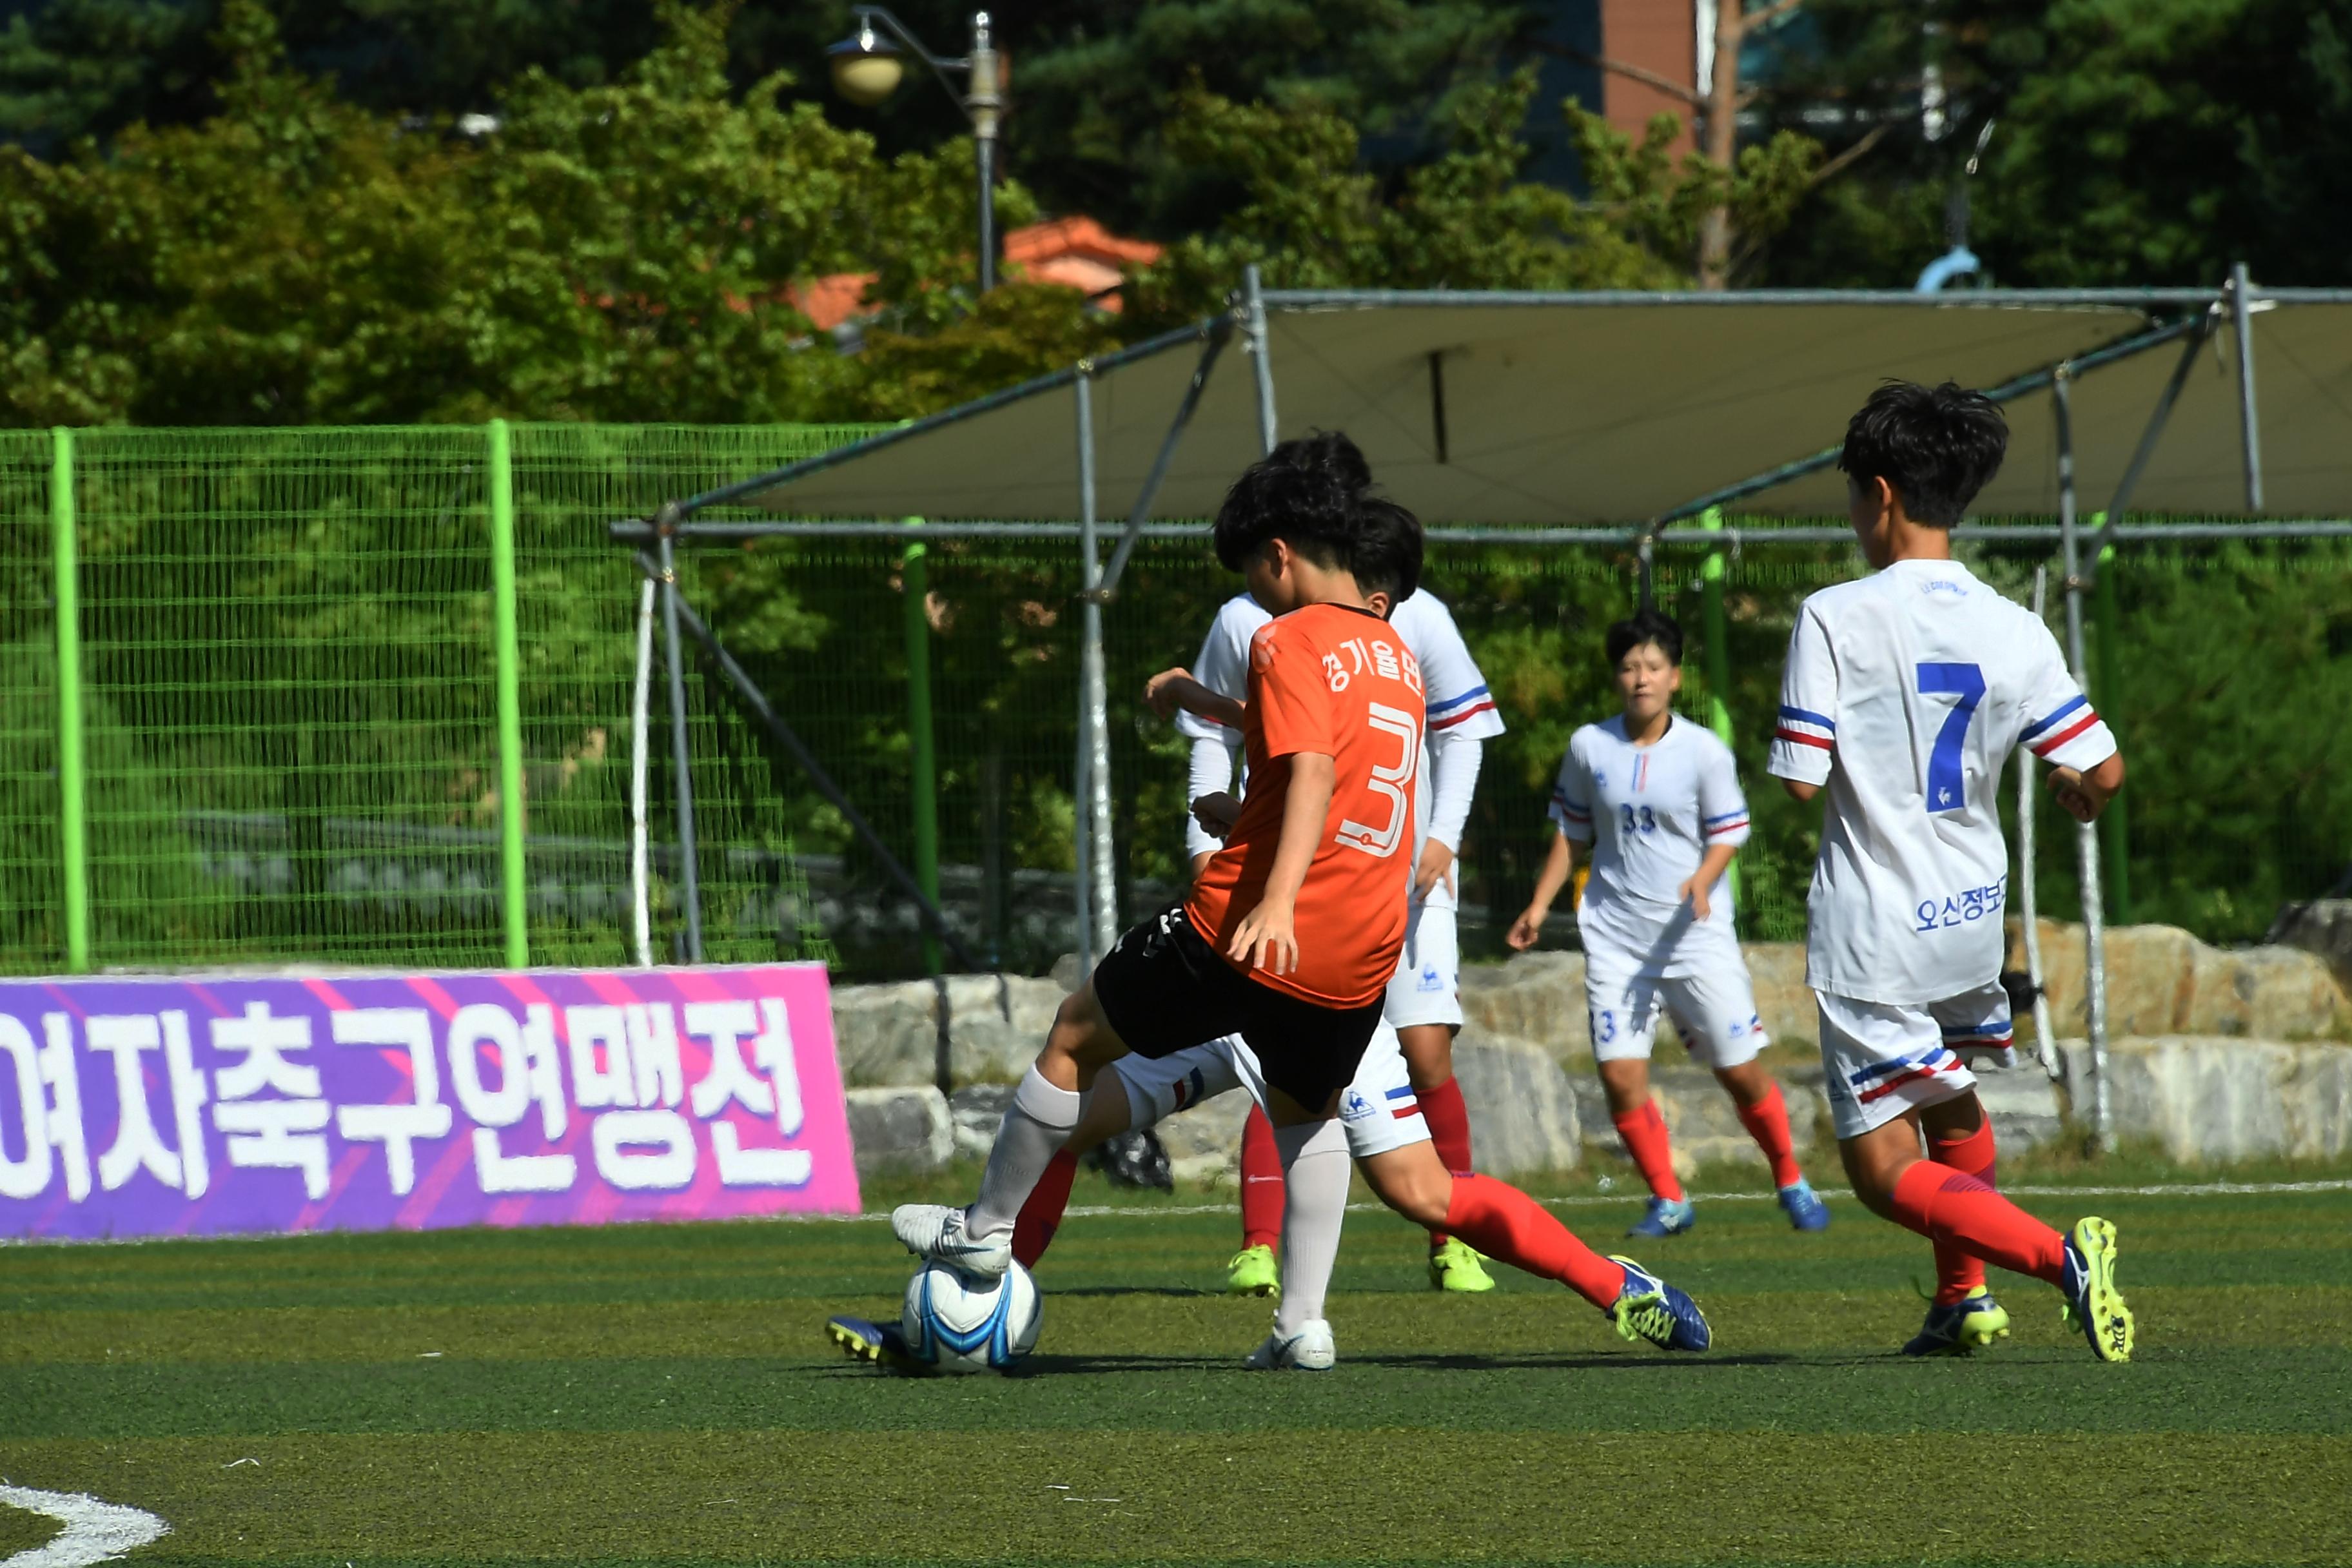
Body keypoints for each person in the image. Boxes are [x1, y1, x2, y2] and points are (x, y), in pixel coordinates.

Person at [992, 504, 1709, 1369]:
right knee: (1078, 1107)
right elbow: (1284, 757)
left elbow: (1313, 776)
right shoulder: (1373, 655)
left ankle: (980, 1275)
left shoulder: (1342, 637)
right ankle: (995, 1294)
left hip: (1279, 946)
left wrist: (1259, 833)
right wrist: (1209, 748)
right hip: (1303, 958)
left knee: (1412, 1184)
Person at [1767, 379, 2133, 1361]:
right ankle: (1961, 1298)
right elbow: (2101, 769)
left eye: (1852, 495)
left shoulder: (1834, 616)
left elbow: (1801, 780)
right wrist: (2079, 798)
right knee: (1952, 1100)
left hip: (1876, 926)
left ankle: (2059, 1259)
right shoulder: (2013, 624)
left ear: (1879, 494)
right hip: (1971, 913)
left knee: (1884, 1170)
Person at [1174, 498, 1508, 1295]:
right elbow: (1229, 737)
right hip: (1301, 880)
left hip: (1400, 880)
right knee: (1275, 1048)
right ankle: (1264, 1245)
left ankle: (1450, 1237)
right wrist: (1206, 837)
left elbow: (1461, 727)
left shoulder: (1411, 618)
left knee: (1425, 1055)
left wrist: (1444, 835)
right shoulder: (1245, 618)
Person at [1507, 609, 1830, 1239]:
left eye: (1653, 666)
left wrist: (1703, 880)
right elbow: (1571, 831)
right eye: (1629, 666)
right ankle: (1668, 1198)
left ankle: (1791, 1176)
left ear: (1675, 677)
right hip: (1616, 938)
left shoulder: (1703, 751)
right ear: (1616, 676)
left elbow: (1729, 833)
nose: (1640, 678)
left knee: (1738, 1069)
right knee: (1620, 1075)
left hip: (1693, 937)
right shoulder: (1588, 746)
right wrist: (1539, 904)